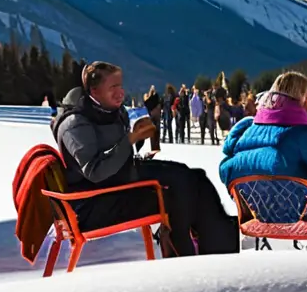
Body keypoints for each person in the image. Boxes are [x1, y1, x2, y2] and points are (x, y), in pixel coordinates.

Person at [51, 62, 238, 257]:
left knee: (196, 178)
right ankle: (183, 253)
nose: (120, 93)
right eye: (113, 88)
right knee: (181, 188)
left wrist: (136, 138)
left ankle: (217, 249)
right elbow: (95, 171)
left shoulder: (107, 112)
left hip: (117, 184)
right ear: (94, 91)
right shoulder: (75, 124)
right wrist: (130, 139)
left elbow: (114, 153)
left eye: (121, 86)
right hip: (94, 205)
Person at [219, 71, 307, 224]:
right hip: (304, 217)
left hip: (256, 217)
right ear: (300, 98)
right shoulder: (304, 134)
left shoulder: (247, 131)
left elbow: (226, 171)